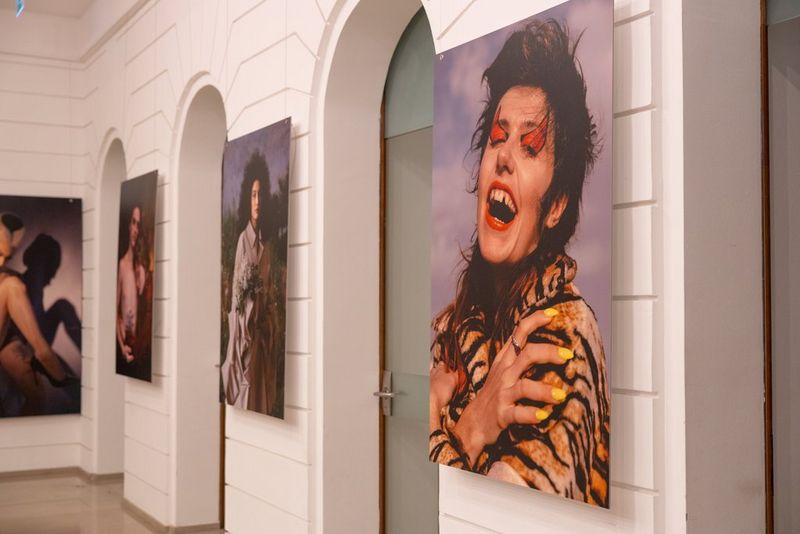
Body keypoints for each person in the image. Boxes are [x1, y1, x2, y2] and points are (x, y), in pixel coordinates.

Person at [429, 20, 610, 507]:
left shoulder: (563, 336)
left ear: (554, 207)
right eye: (497, 137)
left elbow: (503, 510)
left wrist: (447, 427)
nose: (504, 157)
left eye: (529, 146)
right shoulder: (453, 327)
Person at [0, 213, 77, 416]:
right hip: (18, 343)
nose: (1, 261)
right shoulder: (13, 284)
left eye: (5, 257)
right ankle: (48, 361)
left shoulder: (13, 280)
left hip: (24, 341)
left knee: (61, 306)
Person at [222, 153, 269, 409]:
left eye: (260, 194)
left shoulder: (265, 247)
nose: (257, 201)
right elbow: (237, 297)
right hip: (246, 338)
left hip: (260, 341)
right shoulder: (243, 241)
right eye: (253, 195)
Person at [116, 204, 146, 366]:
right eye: (133, 223)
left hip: (137, 349)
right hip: (124, 351)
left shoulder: (140, 269)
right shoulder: (121, 266)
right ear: (127, 225)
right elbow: (113, 312)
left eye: (138, 225)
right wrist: (121, 347)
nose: (136, 230)